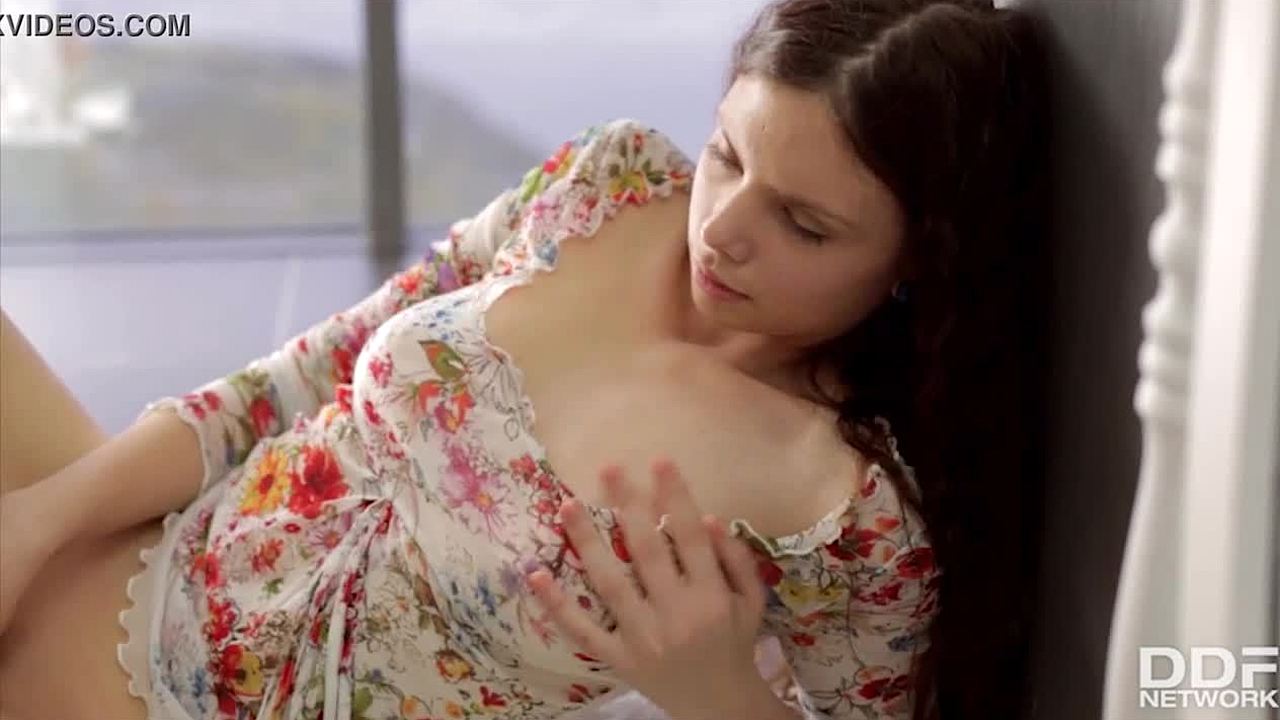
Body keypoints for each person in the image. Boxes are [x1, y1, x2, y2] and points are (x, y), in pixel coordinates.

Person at [0, 0, 1050, 718]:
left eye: (804, 225)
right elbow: (299, 380)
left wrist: (719, 694)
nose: (723, 229)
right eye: (728, 154)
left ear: (917, 259)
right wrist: (37, 523)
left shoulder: (848, 514)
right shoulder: (612, 182)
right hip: (152, 554)